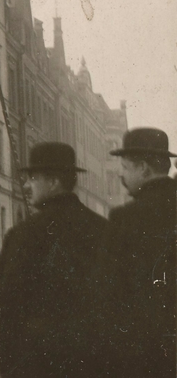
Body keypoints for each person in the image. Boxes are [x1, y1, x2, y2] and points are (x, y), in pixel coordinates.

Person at [0, 142, 106, 378]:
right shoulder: (103, 230)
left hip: (38, 364)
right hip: (93, 362)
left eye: (33, 178)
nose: (27, 186)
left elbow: (8, 311)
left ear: (54, 182)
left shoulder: (23, 235)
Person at [100, 127, 177, 378]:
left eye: (125, 167)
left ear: (143, 168)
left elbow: (110, 293)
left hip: (144, 354)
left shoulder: (124, 218)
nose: (121, 175)